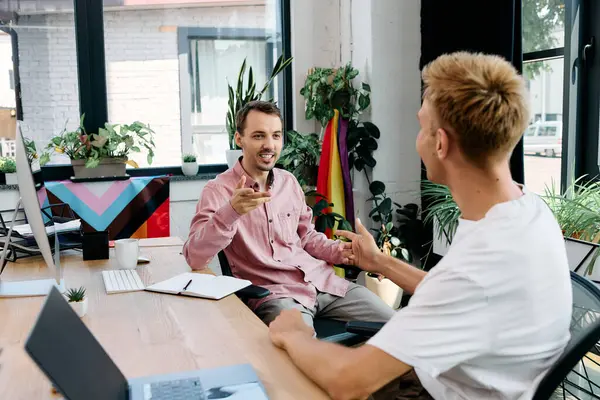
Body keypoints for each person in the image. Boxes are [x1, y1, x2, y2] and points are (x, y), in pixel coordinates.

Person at [267, 51, 572, 400]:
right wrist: (379, 262)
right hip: (467, 375)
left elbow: (348, 381)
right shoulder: (527, 212)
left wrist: (295, 335)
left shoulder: (479, 265)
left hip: (437, 393)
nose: (418, 139)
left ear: (440, 143)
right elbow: (457, 294)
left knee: (283, 376)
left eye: (421, 127)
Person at [183, 100, 394, 328]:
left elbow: (306, 238)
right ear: (238, 138)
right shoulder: (218, 191)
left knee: (398, 326)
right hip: (277, 296)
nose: (269, 145)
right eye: (258, 136)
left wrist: (341, 252)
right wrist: (231, 212)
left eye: (276, 135)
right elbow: (194, 256)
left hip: (322, 283)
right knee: (305, 352)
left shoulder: (289, 182)